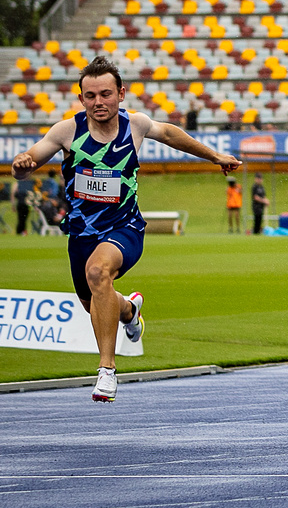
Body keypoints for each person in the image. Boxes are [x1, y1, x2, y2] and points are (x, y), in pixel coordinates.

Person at [10, 55, 240, 402]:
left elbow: (171, 134)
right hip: (82, 233)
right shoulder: (67, 131)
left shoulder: (136, 125)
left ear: (121, 93)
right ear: (82, 98)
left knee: (99, 271)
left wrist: (214, 156)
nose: (98, 102)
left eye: (105, 94)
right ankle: (130, 310)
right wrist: (21, 166)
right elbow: (30, 160)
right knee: (94, 302)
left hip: (125, 228)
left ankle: (106, 371)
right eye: (90, 96)